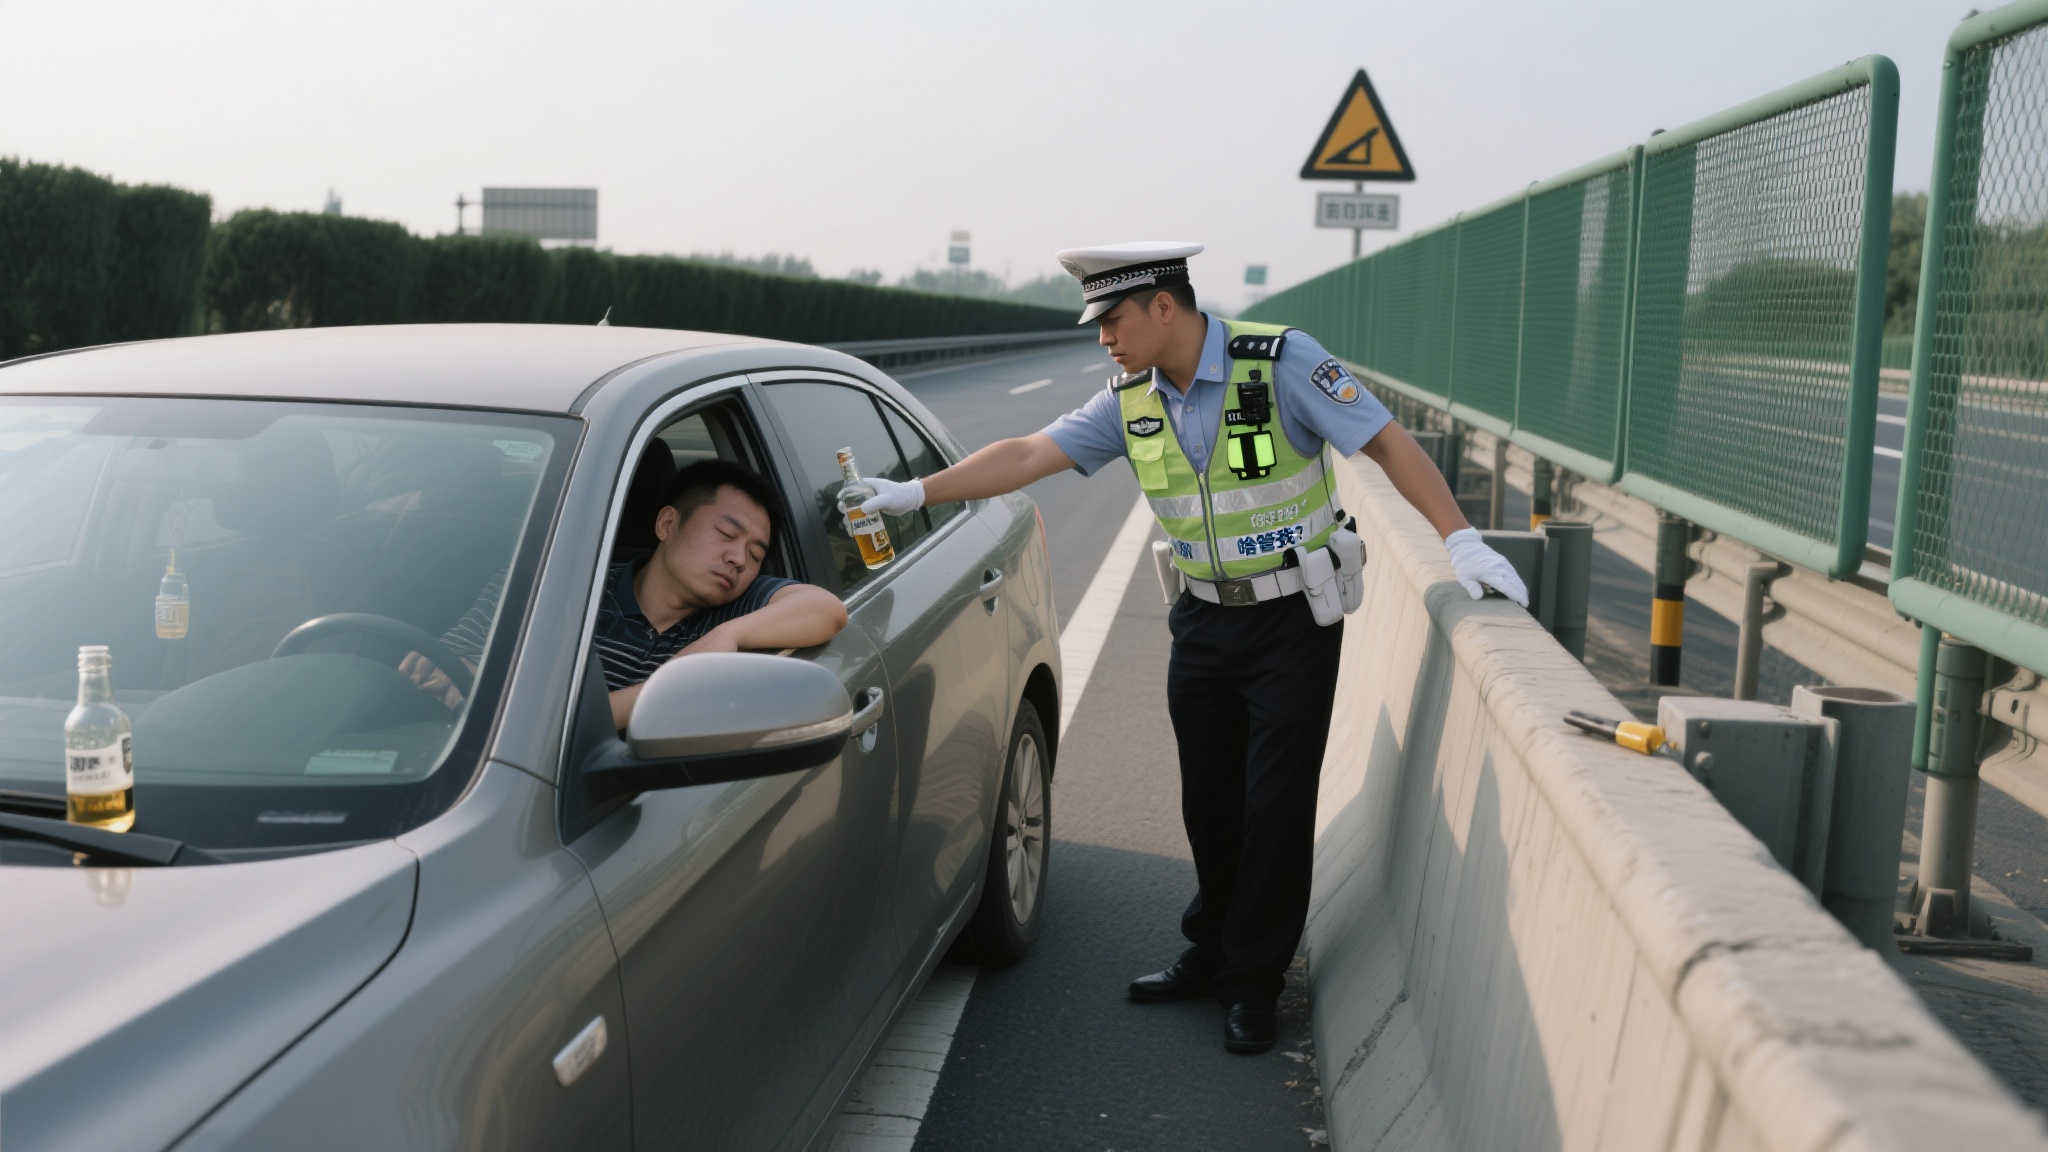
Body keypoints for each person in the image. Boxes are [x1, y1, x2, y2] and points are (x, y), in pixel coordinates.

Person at [855, 241, 1528, 1055]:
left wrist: (1459, 540)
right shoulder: (1130, 400)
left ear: (1163, 307)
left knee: (1274, 809)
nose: (1103, 337)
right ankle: (1209, 954)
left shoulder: (1280, 362)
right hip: (1202, 623)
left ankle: (1254, 983)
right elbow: (1031, 453)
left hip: (1291, 621)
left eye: (1112, 319)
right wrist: (914, 492)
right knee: (1209, 804)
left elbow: (1384, 442)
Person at [404, 459, 847, 729]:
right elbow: (444, 670)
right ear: (667, 525)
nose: (738, 560)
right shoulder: (555, 584)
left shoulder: (735, 608)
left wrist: (723, 638)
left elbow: (826, 609)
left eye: (755, 554)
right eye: (726, 534)